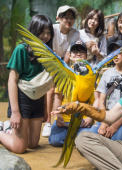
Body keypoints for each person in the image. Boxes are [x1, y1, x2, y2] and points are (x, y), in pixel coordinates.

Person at [0, 15, 54, 154]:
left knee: (33, 144)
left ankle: (9, 129)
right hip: (22, 98)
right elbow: (12, 80)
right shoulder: (21, 49)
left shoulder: (48, 53)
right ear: (34, 30)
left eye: (49, 33)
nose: (46, 36)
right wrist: (15, 112)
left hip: (38, 99)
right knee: (19, 148)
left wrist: (45, 110)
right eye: (43, 32)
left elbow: (45, 84)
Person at [85, 40, 122, 141]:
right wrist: (104, 122)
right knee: (89, 138)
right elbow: (102, 100)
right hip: (107, 116)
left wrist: (115, 126)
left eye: (119, 51)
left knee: (116, 142)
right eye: (113, 52)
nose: (115, 55)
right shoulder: (107, 74)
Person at [42, 5, 80, 137]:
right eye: (65, 18)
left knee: (59, 90)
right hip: (49, 62)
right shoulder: (52, 29)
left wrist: (62, 70)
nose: (69, 20)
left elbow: (69, 54)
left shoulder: (75, 33)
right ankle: (47, 123)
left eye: (71, 18)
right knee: (50, 90)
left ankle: (57, 118)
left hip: (63, 64)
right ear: (58, 18)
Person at [49, 40, 92, 147]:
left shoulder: (91, 75)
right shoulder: (64, 74)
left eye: (82, 51)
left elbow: (96, 100)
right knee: (55, 140)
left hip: (83, 121)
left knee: (89, 140)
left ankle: (75, 138)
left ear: (86, 56)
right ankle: (76, 139)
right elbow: (58, 98)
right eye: (75, 51)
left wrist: (90, 118)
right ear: (70, 56)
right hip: (64, 120)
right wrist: (58, 115)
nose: (78, 53)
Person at [79, 9, 107, 116]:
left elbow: (105, 58)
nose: (92, 21)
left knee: (95, 97)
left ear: (100, 23)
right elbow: (72, 50)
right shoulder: (80, 33)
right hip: (81, 71)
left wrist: (98, 53)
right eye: (91, 18)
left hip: (95, 72)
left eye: (96, 19)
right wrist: (84, 46)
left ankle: (90, 118)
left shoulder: (102, 37)